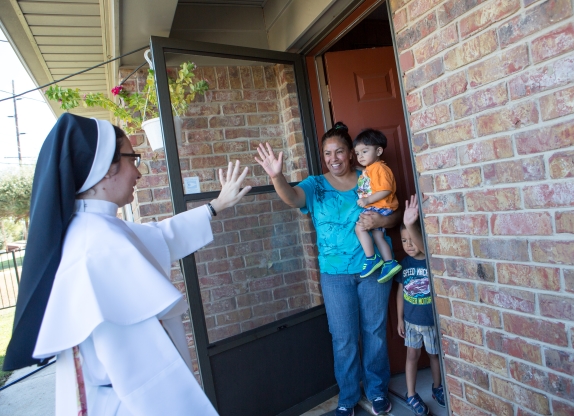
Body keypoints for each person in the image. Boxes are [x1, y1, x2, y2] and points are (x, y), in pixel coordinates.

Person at [3, 113, 251, 415]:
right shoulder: (99, 247)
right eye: (132, 158)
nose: (138, 172)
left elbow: (159, 236)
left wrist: (215, 206)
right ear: (106, 168)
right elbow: (149, 378)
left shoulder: (93, 228)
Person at [255, 122, 398, 416]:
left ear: (351, 153)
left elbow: (392, 216)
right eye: (328, 153)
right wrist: (276, 176)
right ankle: (348, 396)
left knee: (375, 333)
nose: (334, 158)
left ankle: (377, 392)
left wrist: (380, 222)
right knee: (344, 337)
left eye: (340, 151)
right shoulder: (315, 185)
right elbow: (292, 198)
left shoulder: (368, 177)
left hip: (374, 270)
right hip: (335, 275)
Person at [396, 195, 445, 415]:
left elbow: (423, 247)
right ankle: (411, 394)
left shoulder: (428, 259)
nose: (409, 245)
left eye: (412, 240)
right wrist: (399, 319)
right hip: (412, 322)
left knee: (434, 356)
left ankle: (437, 388)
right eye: (404, 241)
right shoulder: (404, 264)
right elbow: (400, 292)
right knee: (412, 357)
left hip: (430, 321)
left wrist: (410, 223)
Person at [353, 129, 401, 283]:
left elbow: (386, 189)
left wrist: (368, 201)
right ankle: (389, 263)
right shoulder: (371, 168)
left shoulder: (379, 168)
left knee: (359, 228)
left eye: (364, 151)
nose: (360, 156)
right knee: (378, 235)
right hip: (380, 207)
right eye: (357, 153)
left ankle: (371, 258)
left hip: (380, 206)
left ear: (379, 151)